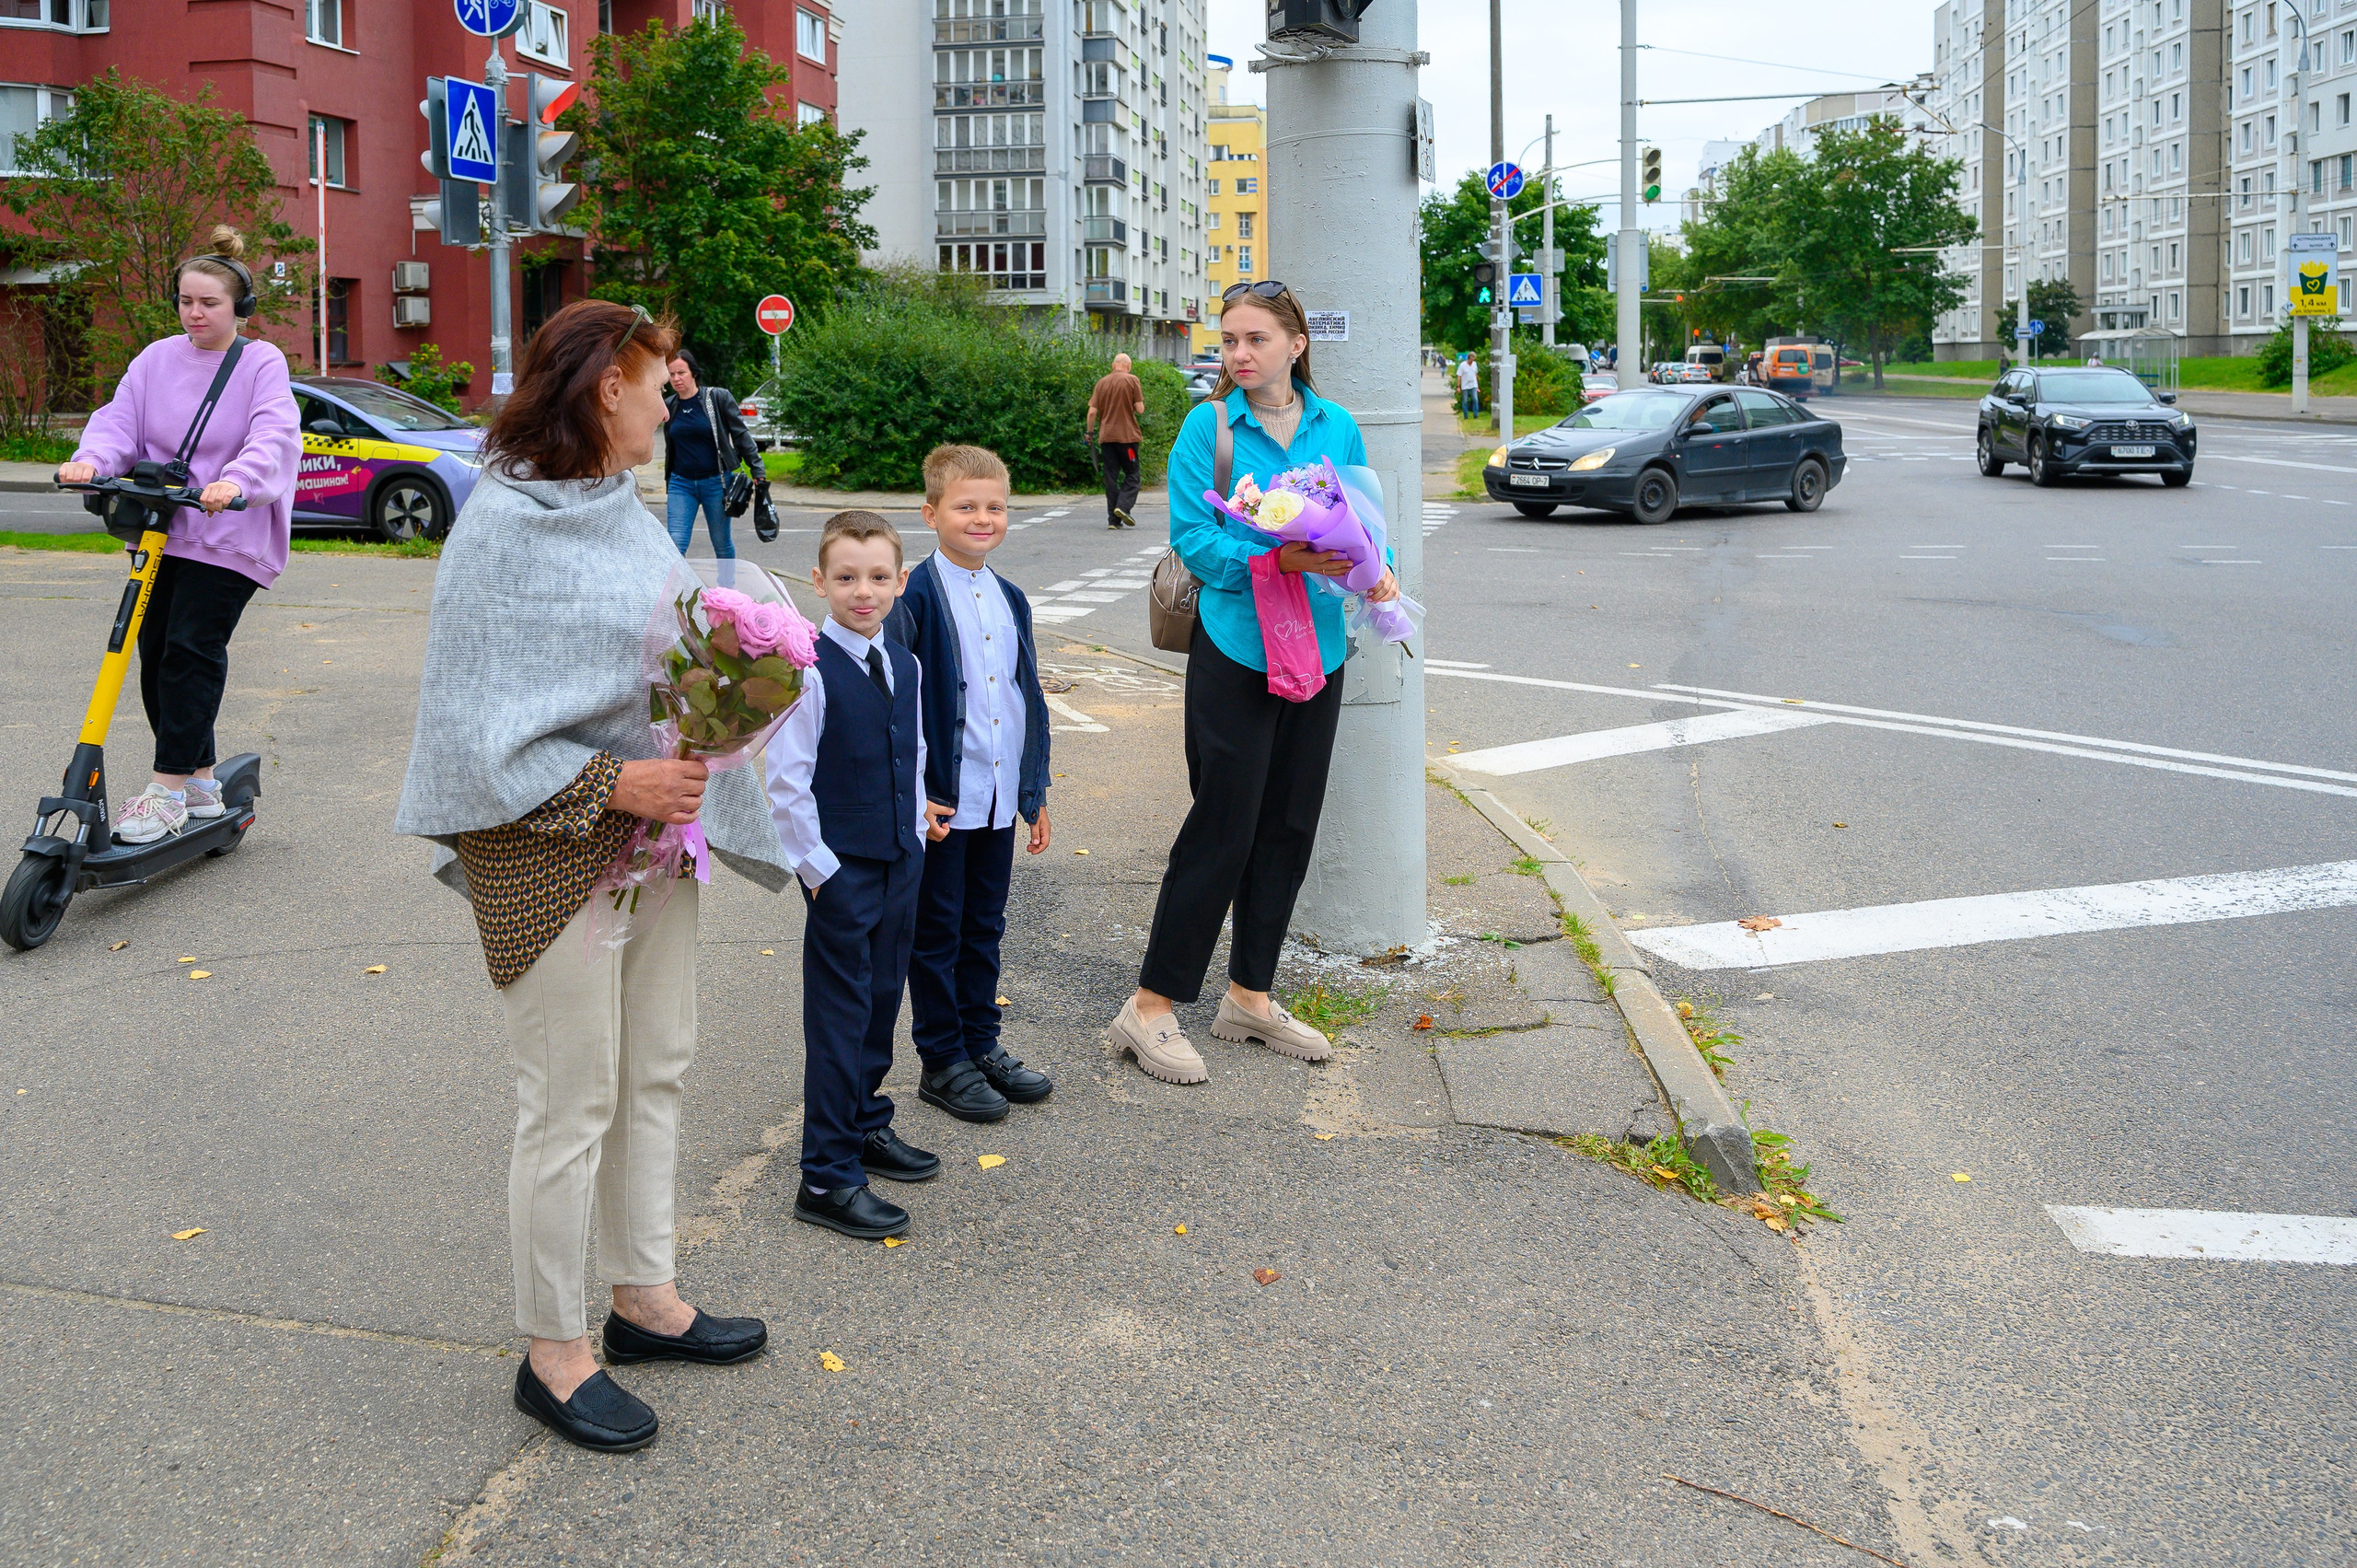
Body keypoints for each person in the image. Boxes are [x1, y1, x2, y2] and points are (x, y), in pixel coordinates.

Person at [393, 300, 788, 1455]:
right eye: (659, 375)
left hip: (657, 845)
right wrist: (617, 782)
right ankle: (554, 1351)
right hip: (550, 850)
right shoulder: (501, 527)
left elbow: (662, 659)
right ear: (601, 384)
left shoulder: (620, 512)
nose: (675, 394)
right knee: (567, 1105)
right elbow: (472, 729)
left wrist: (737, 686)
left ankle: (643, 1294)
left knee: (655, 1069)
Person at [1105, 280, 1401, 1086]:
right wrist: (1276, 557)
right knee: (1223, 828)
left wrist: (1378, 574)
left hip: (1320, 652)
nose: (1238, 354)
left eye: (1255, 340)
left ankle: (1249, 995)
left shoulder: (1336, 426)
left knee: (1289, 825)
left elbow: (1365, 520)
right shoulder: (1209, 428)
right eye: (1229, 340)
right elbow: (1193, 541)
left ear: (1296, 345)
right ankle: (1153, 1005)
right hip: (1236, 649)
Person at [58, 225, 298, 846]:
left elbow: (273, 435)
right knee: (155, 652)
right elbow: (118, 421)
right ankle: (198, 780)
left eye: (209, 303)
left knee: (190, 649)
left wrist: (236, 480)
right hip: (163, 530)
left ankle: (164, 792)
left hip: (229, 530)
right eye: (186, 301)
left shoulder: (260, 361)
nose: (195, 313)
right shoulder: (156, 358)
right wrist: (93, 459)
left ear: (240, 307)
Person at [763, 510, 939, 1241]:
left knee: (880, 999)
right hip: (842, 869)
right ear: (819, 583)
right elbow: (786, 779)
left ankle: (867, 1122)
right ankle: (827, 1174)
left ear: (900, 582)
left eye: (877, 577)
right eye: (845, 577)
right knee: (838, 1019)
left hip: (901, 856)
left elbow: (915, 744)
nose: (862, 591)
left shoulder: (905, 661)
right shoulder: (808, 669)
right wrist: (819, 870)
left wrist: (920, 823)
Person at [884, 445, 1055, 1126]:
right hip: (944, 801)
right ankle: (942, 1058)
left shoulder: (1010, 596)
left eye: (994, 507)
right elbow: (899, 699)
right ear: (932, 513)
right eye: (966, 506)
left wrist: (1033, 789)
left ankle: (982, 1044)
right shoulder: (915, 595)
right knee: (938, 930)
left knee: (985, 925)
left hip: (999, 793)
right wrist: (917, 790)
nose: (982, 518)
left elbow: (1026, 697)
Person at [660, 349, 758, 560]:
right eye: (672, 374)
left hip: (716, 482)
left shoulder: (716, 398)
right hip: (680, 484)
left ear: (693, 372)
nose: (676, 378)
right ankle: (677, 592)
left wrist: (757, 469)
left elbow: (741, 434)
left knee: (721, 544)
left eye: (681, 372)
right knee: (676, 544)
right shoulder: (669, 406)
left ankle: (727, 590)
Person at [1085, 352, 1146, 529]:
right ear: (1128, 365)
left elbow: (1091, 412)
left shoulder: (1101, 383)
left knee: (1110, 477)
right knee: (1133, 475)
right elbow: (1140, 409)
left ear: (1114, 365)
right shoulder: (1132, 380)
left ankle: (1113, 520)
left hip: (1106, 438)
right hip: (1127, 438)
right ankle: (1123, 506)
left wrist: (1089, 433)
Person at [1457, 353, 1480, 417]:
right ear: (1469, 358)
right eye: (1472, 357)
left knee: (1475, 399)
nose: (1473, 359)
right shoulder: (1462, 365)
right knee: (1465, 401)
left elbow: (1476, 374)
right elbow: (1459, 376)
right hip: (1465, 385)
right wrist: (1458, 386)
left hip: (1473, 384)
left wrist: (1477, 385)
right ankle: (1465, 415)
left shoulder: (1475, 364)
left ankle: (1475, 414)